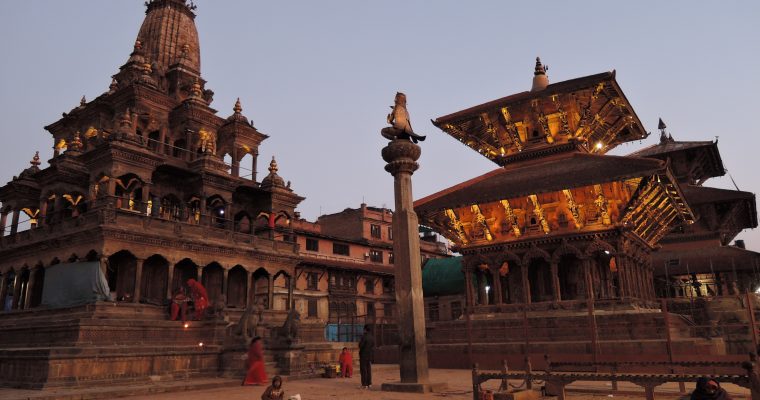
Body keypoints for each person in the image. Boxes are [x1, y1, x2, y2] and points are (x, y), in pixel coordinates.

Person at [358, 325, 374, 389]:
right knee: (368, 369)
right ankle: (369, 383)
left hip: (363, 355)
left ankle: (364, 384)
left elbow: (360, 345)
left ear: (365, 329)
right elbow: (373, 345)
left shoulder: (364, 337)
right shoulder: (372, 337)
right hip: (369, 355)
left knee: (363, 370)